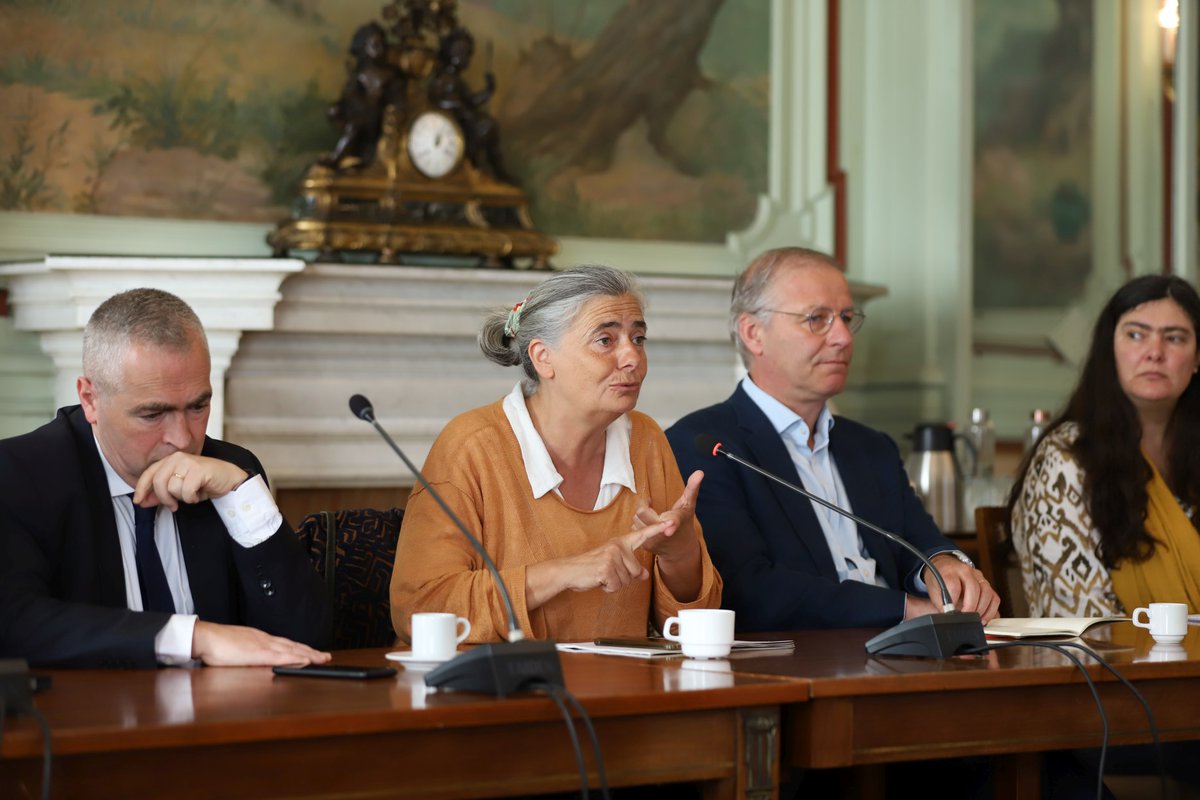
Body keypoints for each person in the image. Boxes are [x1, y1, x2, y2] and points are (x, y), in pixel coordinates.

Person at [666, 247, 1000, 631]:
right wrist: (905, 609)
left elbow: (919, 541)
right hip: (808, 658)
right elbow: (749, 589)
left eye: (846, 318)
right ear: (754, 333)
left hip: (912, 649)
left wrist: (943, 566)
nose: (842, 337)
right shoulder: (707, 446)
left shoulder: (871, 447)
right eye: (817, 319)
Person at [0, 288, 332, 668]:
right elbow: (14, 625)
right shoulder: (19, 475)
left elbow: (306, 641)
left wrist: (242, 497)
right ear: (90, 399)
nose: (184, 439)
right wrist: (195, 637)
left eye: (198, 406)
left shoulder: (228, 470)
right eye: (153, 414)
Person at [390, 265, 722, 642]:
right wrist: (566, 572)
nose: (633, 358)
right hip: (498, 679)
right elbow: (419, 610)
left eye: (638, 338)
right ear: (543, 357)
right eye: (605, 340)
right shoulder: (471, 446)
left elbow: (691, 628)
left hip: (623, 680)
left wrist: (680, 555)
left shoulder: (646, 440)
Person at [1009, 274, 1200, 617]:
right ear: (1109, 350)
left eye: (1174, 338)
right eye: (1136, 335)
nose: (1155, 352)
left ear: (1197, 357)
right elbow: (1077, 620)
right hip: (1105, 651)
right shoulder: (1067, 461)